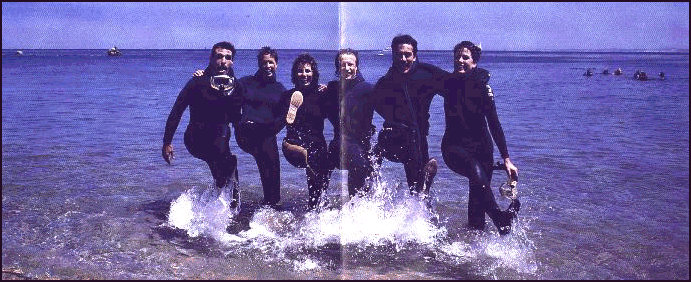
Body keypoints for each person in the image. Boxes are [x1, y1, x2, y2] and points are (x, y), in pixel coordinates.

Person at [440, 41, 519, 235]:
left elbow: (494, 123)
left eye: (465, 57)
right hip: (453, 147)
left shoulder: (483, 88)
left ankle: (474, 251)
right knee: (476, 174)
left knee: (478, 201)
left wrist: (506, 159)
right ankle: (500, 218)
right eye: (457, 56)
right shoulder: (446, 83)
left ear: (474, 62)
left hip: (482, 149)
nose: (460, 60)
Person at [194, 47, 288, 208]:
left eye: (271, 62)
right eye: (264, 62)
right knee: (262, 138)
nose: (267, 65)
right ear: (259, 64)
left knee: (272, 179)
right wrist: (205, 75)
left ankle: (270, 204)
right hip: (247, 132)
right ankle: (241, 199)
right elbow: (223, 86)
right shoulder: (245, 82)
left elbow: (281, 119)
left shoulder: (280, 90)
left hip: (267, 135)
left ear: (276, 65)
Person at [162, 41, 242, 207]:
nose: (223, 61)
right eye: (219, 56)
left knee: (228, 172)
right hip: (196, 140)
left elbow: (238, 118)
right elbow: (177, 111)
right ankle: (217, 197)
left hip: (220, 140)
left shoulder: (236, 86)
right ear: (212, 59)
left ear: (232, 62)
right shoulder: (197, 82)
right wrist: (167, 142)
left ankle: (229, 209)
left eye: (228, 57)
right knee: (225, 167)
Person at [370, 34, 447, 196]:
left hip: (417, 139)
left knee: (418, 192)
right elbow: (371, 101)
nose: (403, 59)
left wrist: (477, 77)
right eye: (399, 54)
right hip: (394, 138)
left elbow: (455, 86)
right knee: (375, 153)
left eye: (408, 55)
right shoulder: (387, 80)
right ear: (393, 55)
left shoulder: (427, 74)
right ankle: (375, 193)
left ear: (415, 55)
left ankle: (424, 198)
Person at [280, 54, 333, 210]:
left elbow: (334, 116)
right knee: (317, 183)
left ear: (313, 73)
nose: (304, 74)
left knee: (321, 183)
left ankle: (317, 208)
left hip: (316, 144)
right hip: (295, 147)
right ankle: (316, 212)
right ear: (295, 74)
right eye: (300, 71)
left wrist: (331, 88)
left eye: (308, 71)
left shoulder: (322, 94)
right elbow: (275, 121)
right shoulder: (287, 96)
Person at [324, 49, 376, 197]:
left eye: (350, 64)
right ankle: (317, 211)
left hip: (361, 146)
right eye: (342, 65)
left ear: (356, 66)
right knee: (320, 173)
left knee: (359, 194)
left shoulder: (367, 88)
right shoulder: (332, 88)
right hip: (338, 145)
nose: (347, 68)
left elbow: (388, 108)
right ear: (337, 67)